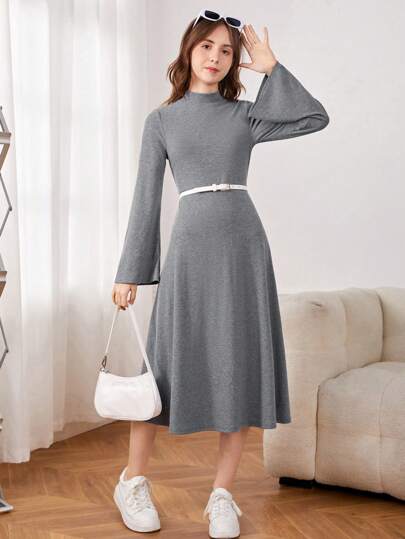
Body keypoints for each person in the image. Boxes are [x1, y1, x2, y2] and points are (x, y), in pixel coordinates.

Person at [111, 9, 329, 538]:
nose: (215, 57)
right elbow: (145, 199)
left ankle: (222, 494)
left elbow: (313, 117)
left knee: (239, 361)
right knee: (161, 368)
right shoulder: (162, 121)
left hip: (243, 247)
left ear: (235, 61)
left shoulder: (245, 116)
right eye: (206, 46)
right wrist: (129, 271)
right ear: (188, 51)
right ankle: (132, 481)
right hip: (189, 249)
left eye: (227, 51)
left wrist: (272, 68)